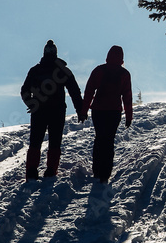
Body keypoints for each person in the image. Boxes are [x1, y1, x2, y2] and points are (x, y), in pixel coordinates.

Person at [20, 39, 82, 181]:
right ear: (55, 53)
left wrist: (31, 103)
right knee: (55, 142)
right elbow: (74, 91)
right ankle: (51, 171)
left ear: (44, 53)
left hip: (39, 111)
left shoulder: (35, 70)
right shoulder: (62, 70)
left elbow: (24, 90)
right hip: (57, 111)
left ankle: (31, 172)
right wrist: (80, 109)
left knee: (35, 141)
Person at [79, 45, 133, 184]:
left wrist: (84, 111)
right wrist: (128, 116)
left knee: (99, 139)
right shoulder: (124, 74)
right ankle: (105, 173)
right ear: (121, 58)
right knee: (109, 141)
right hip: (114, 112)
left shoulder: (99, 70)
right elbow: (127, 97)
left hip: (98, 111)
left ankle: (97, 171)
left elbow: (89, 91)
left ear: (108, 55)